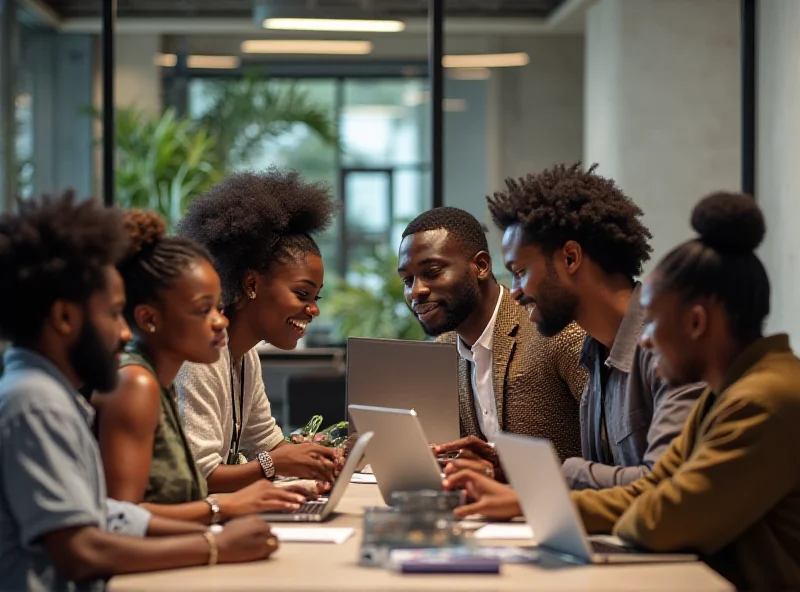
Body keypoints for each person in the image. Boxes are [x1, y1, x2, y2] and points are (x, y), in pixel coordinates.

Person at [444, 192, 800, 591]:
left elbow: (661, 518)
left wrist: (548, 496)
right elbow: (652, 492)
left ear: (696, 323)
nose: (644, 339)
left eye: (653, 323)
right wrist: (535, 498)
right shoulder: (727, 393)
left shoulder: (765, 399)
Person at [0, 192, 278, 590]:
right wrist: (213, 545)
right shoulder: (36, 403)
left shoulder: (51, 395)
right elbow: (82, 550)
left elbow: (105, 515)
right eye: (113, 314)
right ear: (64, 317)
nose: (125, 331)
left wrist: (219, 519)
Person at [485, 162, 704, 490]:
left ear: (570, 258)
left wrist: (566, 474)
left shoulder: (670, 346)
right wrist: (519, 477)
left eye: (519, 271)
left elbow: (670, 486)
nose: (514, 291)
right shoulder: (593, 357)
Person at [93, 209, 307, 523]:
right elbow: (122, 519)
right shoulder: (136, 384)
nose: (221, 321)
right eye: (202, 310)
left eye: (218, 306)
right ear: (149, 319)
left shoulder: (160, 383)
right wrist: (226, 512)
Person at [175, 169, 340, 493]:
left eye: (315, 297)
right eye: (302, 294)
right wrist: (274, 466)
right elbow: (202, 478)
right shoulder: (197, 359)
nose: (313, 310)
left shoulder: (246, 356)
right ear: (251, 283)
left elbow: (267, 444)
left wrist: (321, 458)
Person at [397, 207, 587, 478]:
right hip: (487, 514)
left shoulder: (554, 331)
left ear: (482, 266)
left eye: (432, 272)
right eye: (408, 280)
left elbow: (612, 452)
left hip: (567, 511)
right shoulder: (442, 350)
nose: (416, 291)